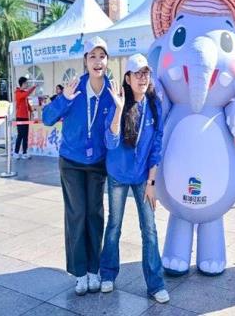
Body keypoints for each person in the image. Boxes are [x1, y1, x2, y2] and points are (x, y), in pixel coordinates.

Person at [42, 36, 114, 296]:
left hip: (97, 163)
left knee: (95, 214)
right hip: (71, 162)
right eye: (92, 56)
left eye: (102, 56)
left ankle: (94, 269)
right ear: (85, 60)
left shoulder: (111, 92)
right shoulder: (75, 88)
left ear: (107, 61)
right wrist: (64, 99)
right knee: (77, 214)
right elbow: (47, 118)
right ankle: (80, 273)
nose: (97, 61)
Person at [99, 54, 169, 303]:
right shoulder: (118, 101)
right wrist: (119, 109)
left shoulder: (154, 105)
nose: (142, 78)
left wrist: (151, 183)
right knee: (114, 225)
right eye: (137, 73)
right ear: (127, 78)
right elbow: (110, 142)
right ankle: (107, 274)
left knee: (149, 229)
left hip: (142, 178)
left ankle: (155, 285)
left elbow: (156, 145)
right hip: (117, 175)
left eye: (146, 73)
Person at [14, 77, 36, 159]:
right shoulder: (18, 93)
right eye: (26, 83)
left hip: (26, 118)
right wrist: (33, 87)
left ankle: (24, 152)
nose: (27, 84)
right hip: (20, 117)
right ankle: (16, 152)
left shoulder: (23, 93)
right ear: (22, 84)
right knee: (20, 135)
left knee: (25, 136)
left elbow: (27, 103)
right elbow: (26, 94)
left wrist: (31, 111)